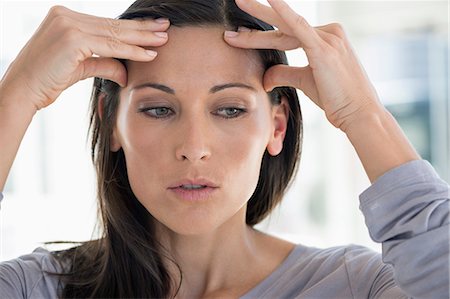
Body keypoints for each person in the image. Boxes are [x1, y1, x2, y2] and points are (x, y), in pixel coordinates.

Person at [0, 0, 448, 298]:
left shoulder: (356, 287)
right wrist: (16, 94)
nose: (194, 149)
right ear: (110, 123)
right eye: (158, 109)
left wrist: (362, 113)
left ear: (276, 127)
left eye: (230, 109)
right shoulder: (38, 288)